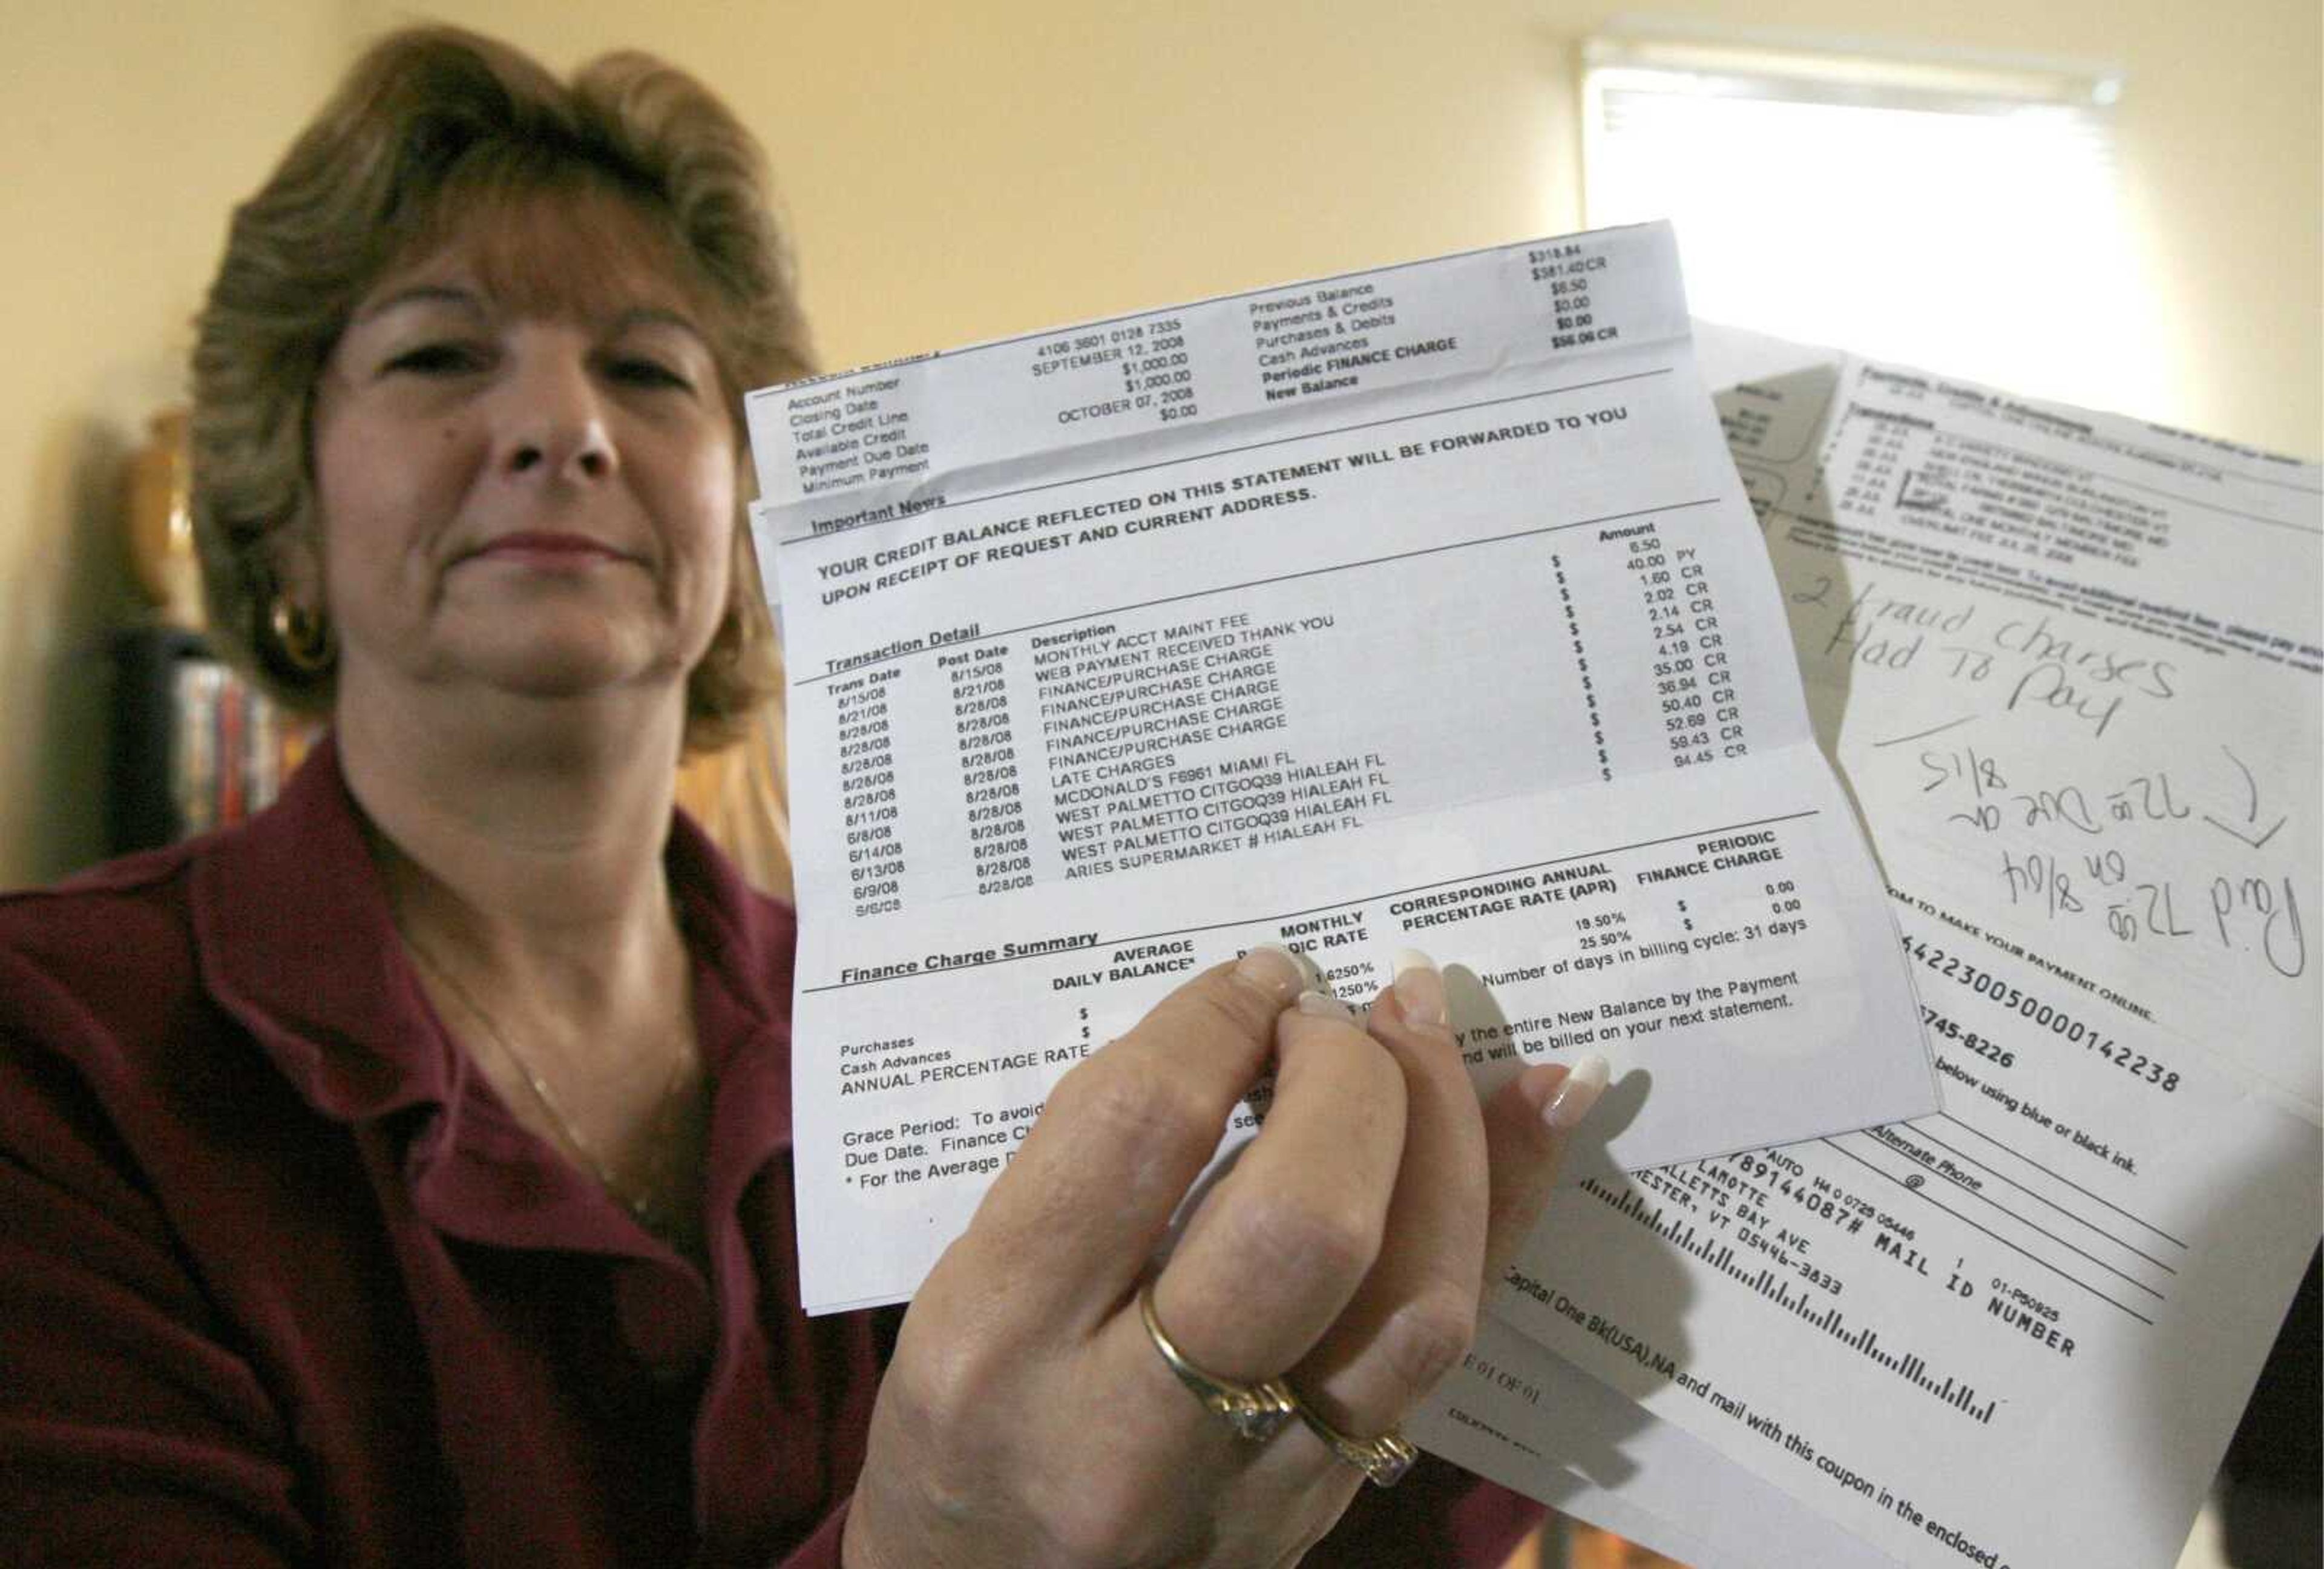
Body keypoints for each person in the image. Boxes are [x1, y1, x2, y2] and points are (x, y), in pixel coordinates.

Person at [0, 25, 1609, 1566]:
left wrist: (1451, 1315)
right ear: (281, 505)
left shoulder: (964, 1034)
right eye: (438, 353)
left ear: (753, 509)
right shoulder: (59, 1059)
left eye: (648, 370)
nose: (563, 427)